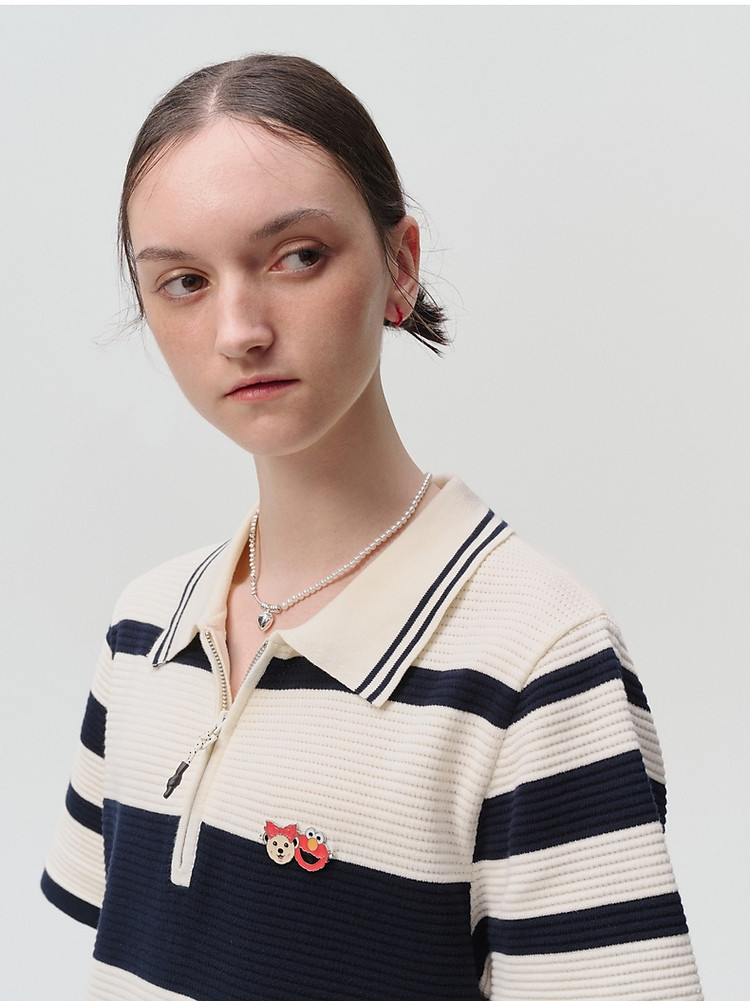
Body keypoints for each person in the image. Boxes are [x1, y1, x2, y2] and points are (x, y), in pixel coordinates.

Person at [42, 54, 703, 1001]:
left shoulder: (539, 661)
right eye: (184, 280)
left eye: (297, 256)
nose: (239, 329)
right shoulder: (141, 631)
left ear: (400, 266)